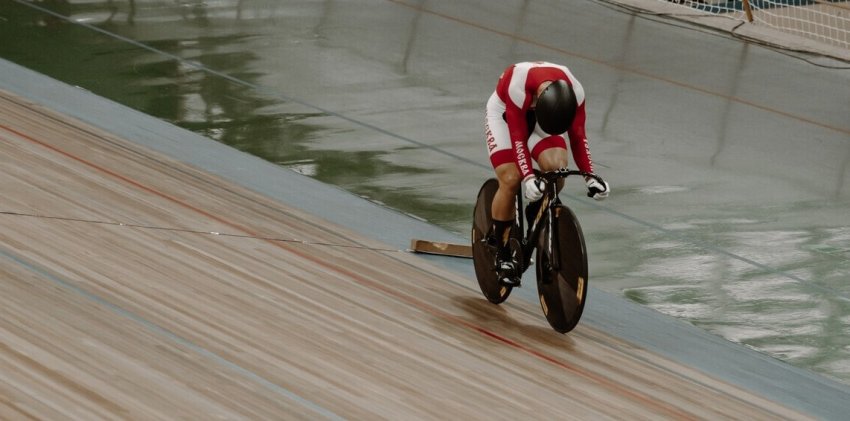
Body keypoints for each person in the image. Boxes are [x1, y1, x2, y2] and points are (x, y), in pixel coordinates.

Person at [483, 61, 610, 285]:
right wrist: (529, 177)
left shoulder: (576, 92)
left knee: (557, 170)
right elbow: (518, 138)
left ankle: (536, 211)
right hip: (505, 116)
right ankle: (502, 254)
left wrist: (590, 177)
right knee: (511, 178)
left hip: (544, 119)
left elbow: (578, 137)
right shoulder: (517, 86)